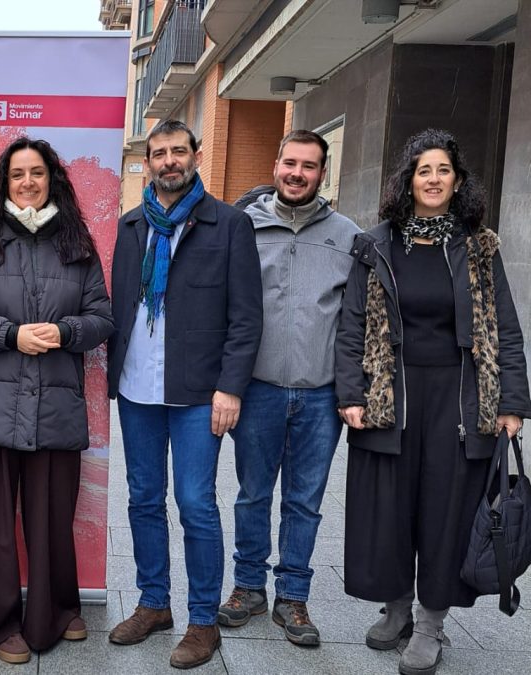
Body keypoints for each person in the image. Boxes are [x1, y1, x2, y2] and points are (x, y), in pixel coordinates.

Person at [335, 129, 530, 675]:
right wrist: (351, 391)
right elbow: (352, 325)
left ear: (459, 180)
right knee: (388, 509)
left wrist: (510, 402)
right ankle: (396, 608)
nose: (434, 179)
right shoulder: (377, 246)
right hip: (389, 396)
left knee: (447, 512)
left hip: (460, 401)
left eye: (444, 170)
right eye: (424, 170)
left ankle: (430, 625)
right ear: (409, 180)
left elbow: (506, 330)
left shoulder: (479, 247)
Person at [0, 138, 114, 664]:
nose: (28, 182)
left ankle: (53, 612)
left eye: (37, 173)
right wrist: (10, 335)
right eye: (17, 174)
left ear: (52, 179)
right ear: (3, 183)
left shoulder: (77, 245)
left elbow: (102, 318)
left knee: (52, 519)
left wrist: (65, 331)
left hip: (55, 407)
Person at [106, 119, 263, 669]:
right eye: (158, 153)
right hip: (137, 390)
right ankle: (154, 603)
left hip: (200, 393)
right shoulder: (131, 227)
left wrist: (230, 388)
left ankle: (201, 619)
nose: (169, 161)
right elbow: (120, 306)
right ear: (147, 162)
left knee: (195, 503)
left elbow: (246, 318)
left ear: (196, 155)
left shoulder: (229, 225)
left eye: (178, 151)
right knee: (143, 499)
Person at [217, 130, 360, 645]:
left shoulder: (347, 235)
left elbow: (358, 319)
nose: (297, 173)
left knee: (305, 500)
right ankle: (248, 587)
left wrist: (353, 390)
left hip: (321, 395)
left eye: (309, 165)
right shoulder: (241, 226)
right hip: (257, 389)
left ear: (323, 173)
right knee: (253, 494)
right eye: (290, 163)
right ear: (276, 164)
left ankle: (293, 598)